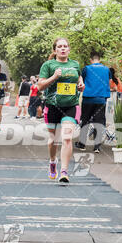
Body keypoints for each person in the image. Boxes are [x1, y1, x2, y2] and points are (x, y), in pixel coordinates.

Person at [38, 38, 84, 183]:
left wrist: (81, 84)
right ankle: (53, 162)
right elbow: (40, 86)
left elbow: (79, 77)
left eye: (65, 46)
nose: (63, 48)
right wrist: (54, 77)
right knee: (53, 141)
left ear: (69, 49)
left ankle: (64, 171)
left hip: (71, 106)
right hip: (52, 106)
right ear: (55, 50)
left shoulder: (75, 64)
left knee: (67, 138)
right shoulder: (48, 65)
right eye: (59, 46)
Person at [75, 51, 111, 153]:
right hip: (101, 99)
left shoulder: (87, 68)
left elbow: (82, 80)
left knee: (85, 121)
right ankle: (97, 147)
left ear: (91, 60)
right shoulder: (107, 69)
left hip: (88, 99)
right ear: (99, 60)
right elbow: (109, 82)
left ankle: (82, 144)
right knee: (98, 122)